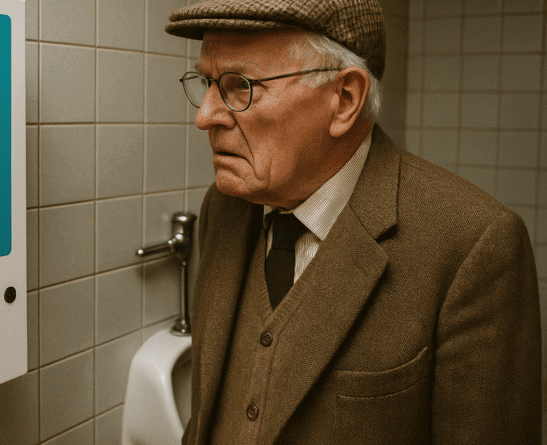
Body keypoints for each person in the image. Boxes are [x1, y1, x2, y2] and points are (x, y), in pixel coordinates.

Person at [164, 0, 542, 443]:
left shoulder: (473, 246)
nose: (204, 116)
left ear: (344, 99)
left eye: (240, 86)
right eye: (208, 83)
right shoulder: (223, 209)